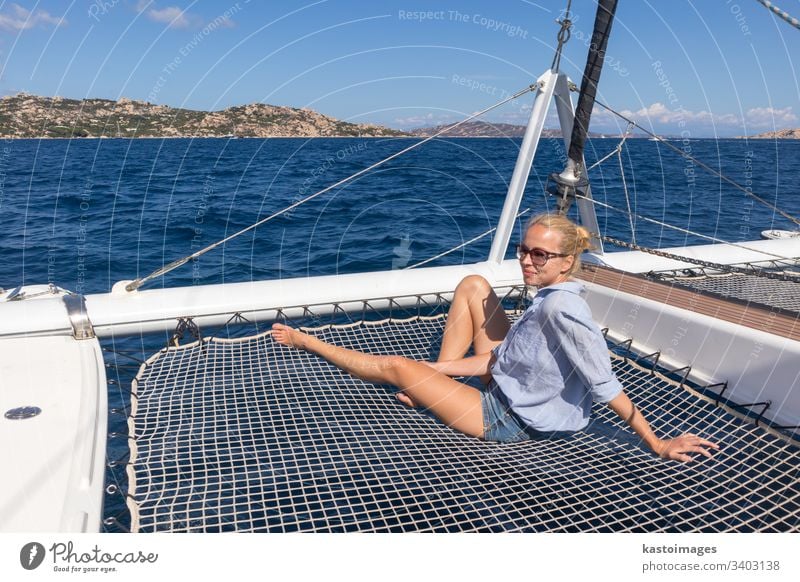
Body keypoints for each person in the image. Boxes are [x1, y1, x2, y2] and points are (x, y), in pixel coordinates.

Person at [272, 213, 718, 462]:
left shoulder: (562, 308)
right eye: (524, 250)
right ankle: (437, 390)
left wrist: (656, 442)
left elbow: (605, 385)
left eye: (539, 254)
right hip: (507, 381)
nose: (526, 260)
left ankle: (306, 341)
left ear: (565, 262)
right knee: (473, 286)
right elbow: (502, 359)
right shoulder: (549, 296)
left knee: (396, 368)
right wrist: (440, 371)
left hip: (506, 418)